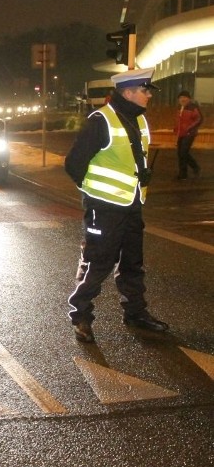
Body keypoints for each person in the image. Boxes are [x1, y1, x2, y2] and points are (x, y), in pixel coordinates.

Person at [64, 67, 169, 343]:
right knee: (98, 263)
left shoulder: (140, 120)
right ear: (128, 92)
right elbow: (74, 163)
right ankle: (81, 316)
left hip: (132, 203)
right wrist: (93, 195)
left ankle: (136, 313)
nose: (149, 95)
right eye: (145, 90)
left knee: (133, 263)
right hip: (105, 208)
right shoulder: (101, 120)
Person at [174, 90, 202, 180]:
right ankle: (184, 173)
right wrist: (176, 128)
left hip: (189, 134)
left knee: (183, 152)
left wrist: (189, 128)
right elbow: (179, 121)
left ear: (189, 99)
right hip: (181, 133)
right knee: (180, 153)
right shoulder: (180, 108)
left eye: (185, 97)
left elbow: (199, 119)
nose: (183, 99)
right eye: (181, 97)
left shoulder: (193, 107)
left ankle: (191, 170)